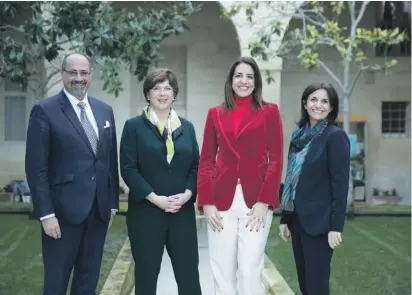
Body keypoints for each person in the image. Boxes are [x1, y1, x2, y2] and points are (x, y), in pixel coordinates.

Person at [25, 53, 119, 295]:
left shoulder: (104, 110)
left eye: (84, 73)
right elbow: (37, 168)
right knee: (56, 283)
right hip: (62, 216)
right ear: (62, 74)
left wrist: (112, 205)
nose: (79, 78)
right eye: (73, 73)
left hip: (98, 214)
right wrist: (46, 214)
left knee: (87, 282)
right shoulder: (44, 111)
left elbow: (109, 161)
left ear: (91, 75)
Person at [197, 56, 284, 295]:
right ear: (231, 80)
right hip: (220, 202)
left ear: (256, 82)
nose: (243, 81)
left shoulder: (270, 112)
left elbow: (275, 159)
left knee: (249, 269)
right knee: (222, 270)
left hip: (256, 202)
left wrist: (265, 201)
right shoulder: (215, 113)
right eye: (239, 76)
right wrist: (206, 202)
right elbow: (206, 159)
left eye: (249, 76)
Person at [120, 68, 201, 295]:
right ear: (148, 94)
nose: (162, 93)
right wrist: (155, 198)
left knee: (189, 279)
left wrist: (187, 194)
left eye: (167, 88)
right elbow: (128, 168)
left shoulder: (187, 128)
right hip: (146, 214)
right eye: (156, 88)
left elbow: (196, 166)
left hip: (181, 213)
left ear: (174, 94)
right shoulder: (133, 127)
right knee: (146, 279)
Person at [278, 82, 350, 295]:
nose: (318, 105)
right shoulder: (298, 136)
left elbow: (340, 184)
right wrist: (285, 218)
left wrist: (336, 226)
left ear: (331, 107)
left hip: (320, 223)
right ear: (305, 103)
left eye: (325, 101)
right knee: (305, 285)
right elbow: (292, 179)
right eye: (314, 99)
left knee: (317, 287)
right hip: (297, 221)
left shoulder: (335, 136)